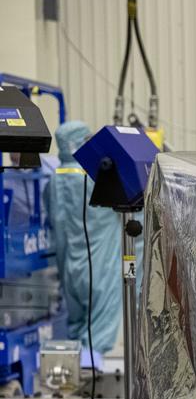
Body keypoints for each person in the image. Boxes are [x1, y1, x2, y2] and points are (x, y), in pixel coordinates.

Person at [44, 121, 123, 355]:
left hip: (69, 267)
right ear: (78, 143)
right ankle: (90, 375)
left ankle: (74, 371)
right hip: (100, 265)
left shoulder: (54, 180)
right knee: (99, 326)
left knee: (77, 324)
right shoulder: (100, 177)